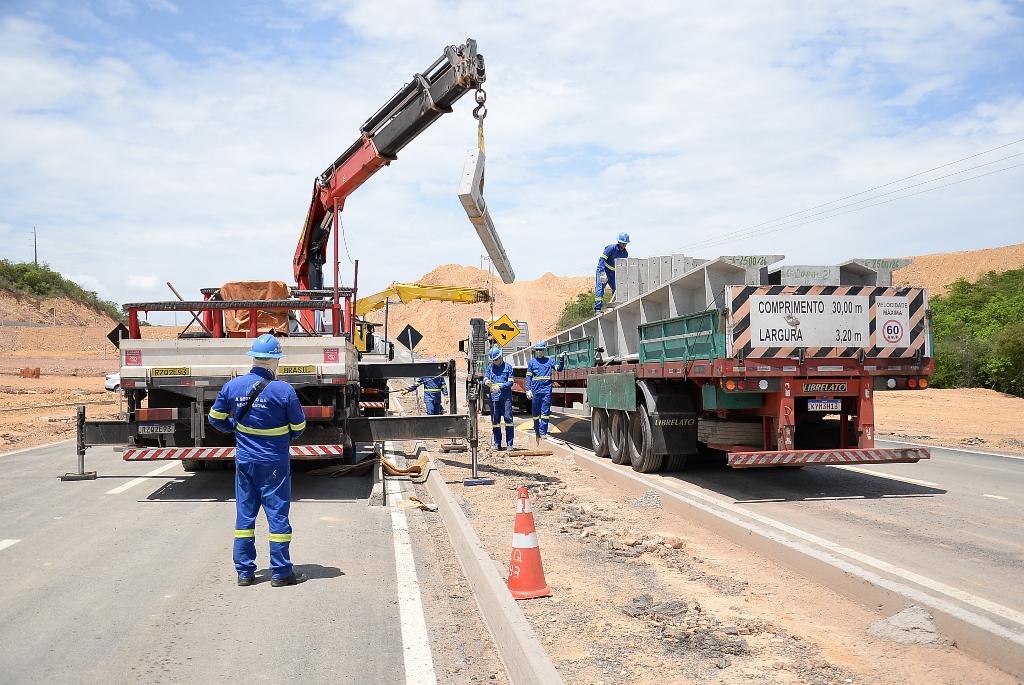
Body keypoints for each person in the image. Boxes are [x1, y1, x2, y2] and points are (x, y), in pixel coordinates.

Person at [208, 334, 307, 587]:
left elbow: (214, 418)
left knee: (244, 518)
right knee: (277, 516)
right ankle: (281, 573)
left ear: (253, 358)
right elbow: (299, 426)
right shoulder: (284, 390)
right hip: (274, 462)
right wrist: (285, 435)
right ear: (275, 361)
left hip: (245, 462)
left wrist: (236, 427)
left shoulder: (233, 387)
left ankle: (244, 572)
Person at [526, 341, 561, 438]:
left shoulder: (549, 361)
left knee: (545, 412)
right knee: (535, 412)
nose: (538, 351)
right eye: (537, 350)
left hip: (546, 391)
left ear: (544, 350)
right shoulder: (532, 362)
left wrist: (562, 359)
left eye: (540, 350)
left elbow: (559, 369)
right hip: (536, 391)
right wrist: (528, 390)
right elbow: (528, 377)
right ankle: (536, 429)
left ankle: (543, 432)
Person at [484, 346, 514, 450]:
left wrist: (500, 387)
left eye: (496, 359)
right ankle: (497, 443)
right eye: (493, 360)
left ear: (500, 357)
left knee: (508, 419)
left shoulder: (508, 367)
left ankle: (510, 444)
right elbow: (486, 378)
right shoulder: (490, 368)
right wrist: (486, 382)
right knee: (495, 421)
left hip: (505, 398)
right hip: (494, 399)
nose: (495, 362)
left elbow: (510, 382)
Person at [595, 232, 630, 312]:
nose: (624, 245)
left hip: (613, 273)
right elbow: (602, 259)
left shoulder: (625, 253)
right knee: (600, 288)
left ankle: (613, 306)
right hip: (604, 270)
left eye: (625, 243)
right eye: (623, 243)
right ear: (619, 242)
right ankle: (597, 309)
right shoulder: (611, 248)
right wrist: (602, 273)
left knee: (616, 289)